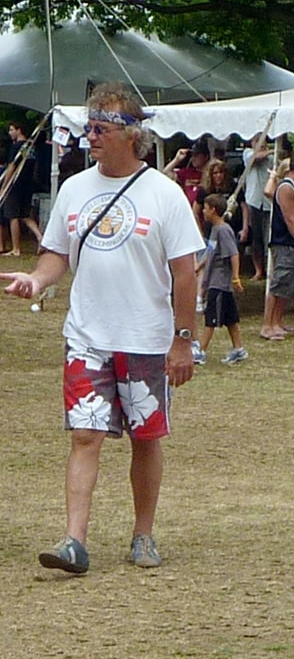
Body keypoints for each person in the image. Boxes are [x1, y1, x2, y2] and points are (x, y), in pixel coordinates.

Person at [1, 83, 203, 574]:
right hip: (87, 337)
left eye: (100, 128)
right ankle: (74, 541)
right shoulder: (74, 189)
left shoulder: (164, 194)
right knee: (84, 436)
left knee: (145, 439)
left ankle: (143, 535)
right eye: (88, 127)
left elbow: (185, 273)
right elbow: (57, 254)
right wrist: (36, 280)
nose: (89, 136)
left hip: (146, 339)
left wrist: (182, 341)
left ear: (132, 135)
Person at [260, 153, 294, 341]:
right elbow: (289, 219)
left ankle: (276, 322)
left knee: (288, 286)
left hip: (293, 246)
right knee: (279, 284)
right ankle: (267, 325)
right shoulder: (286, 188)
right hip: (285, 244)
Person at [196, 193, 247, 365]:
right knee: (230, 318)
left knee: (211, 317)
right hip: (213, 280)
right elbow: (211, 252)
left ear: (213, 210)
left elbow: (233, 254)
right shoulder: (215, 230)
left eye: (205, 208)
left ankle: (201, 351)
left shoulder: (224, 230)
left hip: (220, 282)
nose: (203, 211)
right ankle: (238, 349)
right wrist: (199, 266)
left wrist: (235, 278)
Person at [1, 120, 44, 256]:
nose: (10, 133)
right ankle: (40, 236)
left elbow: (12, 167)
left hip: (16, 184)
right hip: (28, 184)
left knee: (12, 215)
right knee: (24, 215)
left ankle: (16, 248)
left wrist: (4, 185)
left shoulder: (17, 147)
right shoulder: (31, 146)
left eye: (12, 130)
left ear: (19, 130)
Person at [241, 133, 273, 281]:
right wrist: (271, 151)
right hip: (253, 201)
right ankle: (258, 270)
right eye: (258, 142)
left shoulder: (272, 158)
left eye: (264, 142)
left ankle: (269, 269)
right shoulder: (247, 153)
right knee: (256, 239)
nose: (262, 145)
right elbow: (255, 158)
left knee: (268, 238)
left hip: (268, 203)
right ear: (252, 143)